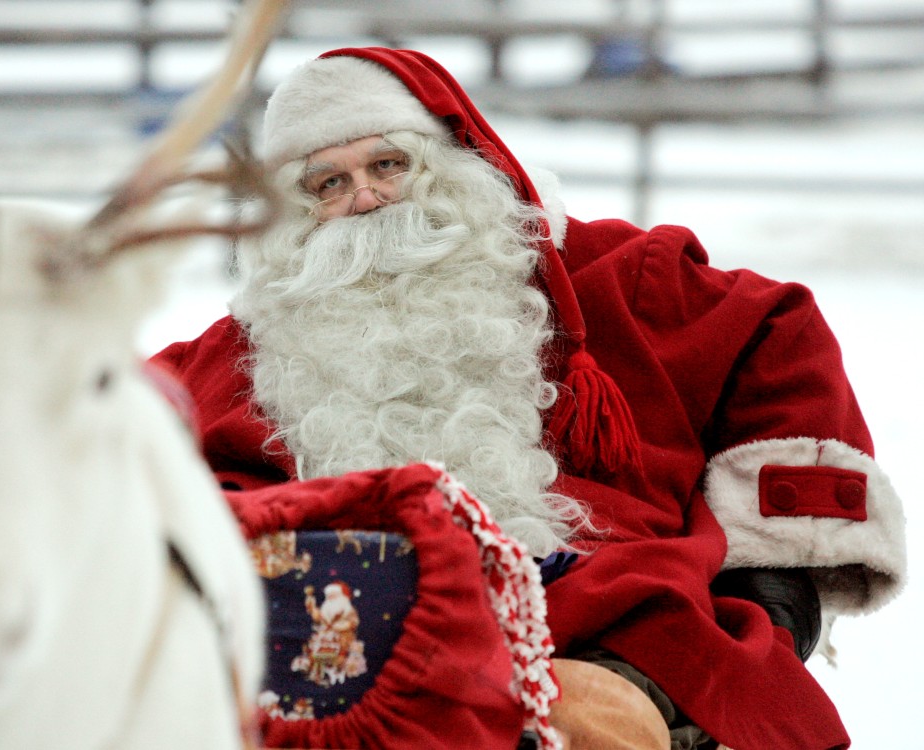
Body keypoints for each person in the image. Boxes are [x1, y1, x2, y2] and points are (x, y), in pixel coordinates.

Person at [152, 47, 907, 749]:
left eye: (390, 164)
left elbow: (774, 337)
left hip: (615, 634)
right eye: (329, 183)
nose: (368, 199)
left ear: (451, 167)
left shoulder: (609, 277)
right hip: (363, 669)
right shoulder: (245, 351)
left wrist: (773, 590)